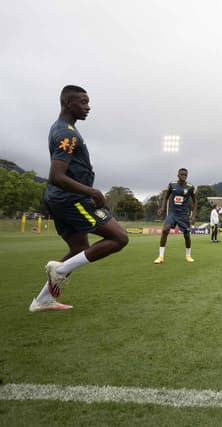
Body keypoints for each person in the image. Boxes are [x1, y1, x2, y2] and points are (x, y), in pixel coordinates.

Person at [29, 85, 129, 312]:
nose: (88, 107)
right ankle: (60, 270)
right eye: (83, 102)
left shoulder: (62, 128)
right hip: (71, 199)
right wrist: (91, 192)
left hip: (59, 199)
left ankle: (42, 300)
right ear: (68, 103)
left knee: (78, 248)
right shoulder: (66, 133)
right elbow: (56, 176)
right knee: (119, 238)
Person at [154, 168, 197, 263]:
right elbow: (166, 197)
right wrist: (162, 208)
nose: (184, 176)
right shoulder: (171, 185)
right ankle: (160, 257)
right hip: (172, 213)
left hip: (183, 214)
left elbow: (195, 202)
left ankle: (188, 255)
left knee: (186, 235)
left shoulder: (190, 187)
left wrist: (193, 215)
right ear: (178, 175)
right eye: (182, 174)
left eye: (185, 175)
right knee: (165, 230)